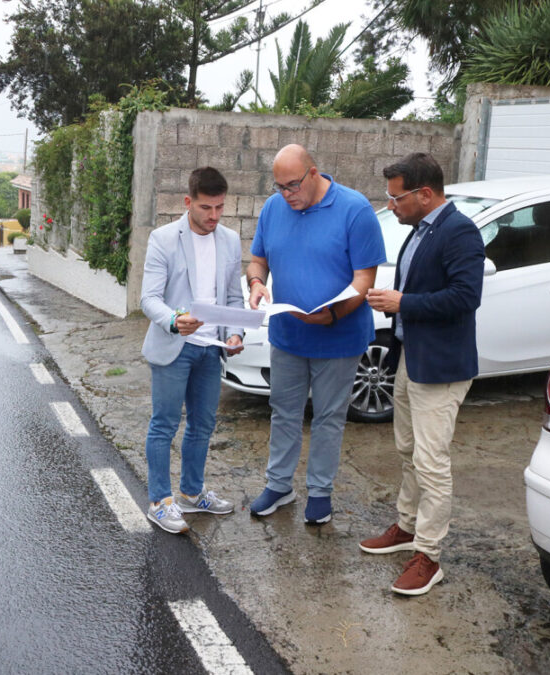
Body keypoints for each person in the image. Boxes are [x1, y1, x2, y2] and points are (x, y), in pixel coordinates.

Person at [361, 152, 484, 596]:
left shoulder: (460, 232)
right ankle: (407, 527)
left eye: (396, 198)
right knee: (407, 450)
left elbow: (466, 297)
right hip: (413, 358)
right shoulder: (419, 230)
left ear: (424, 194)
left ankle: (429, 556)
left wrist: (402, 304)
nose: (391, 205)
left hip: (443, 367)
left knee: (432, 462)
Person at [246, 144, 386, 525]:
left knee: (328, 416)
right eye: (279, 187)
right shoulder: (274, 209)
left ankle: (320, 492)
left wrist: (335, 313)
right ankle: (279, 485)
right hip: (288, 334)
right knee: (284, 412)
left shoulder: (355, 210)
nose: (286, 194)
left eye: (292, 185)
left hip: (339, 337)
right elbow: (258, 258)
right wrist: (257, 282)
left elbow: (364, 279)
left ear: (313, 173)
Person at [140, 166, 245, 534]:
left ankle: (191, 492)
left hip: (211, 349)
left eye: (219, 208)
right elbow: (148, 298)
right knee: (164, 424)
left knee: (202, 424)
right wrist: (173, 321)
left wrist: (233, 334)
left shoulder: (230, 240)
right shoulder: (163, 238)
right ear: (188, 202)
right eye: (206, 208)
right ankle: (160, 501)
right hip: (174, 345)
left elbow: (232, 297)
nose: (214, 216)